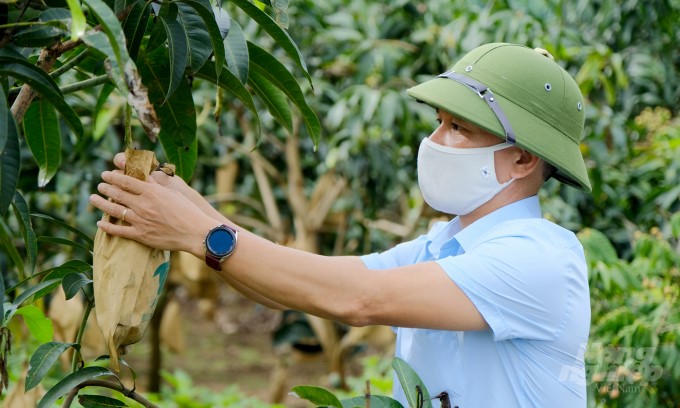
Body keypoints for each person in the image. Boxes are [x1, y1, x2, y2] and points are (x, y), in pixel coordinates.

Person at [90, 43, 591, 407]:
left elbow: (356, 300)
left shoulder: (538, 258)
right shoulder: (442, 247)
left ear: (523, 159)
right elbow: (306, 283)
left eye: (458, 127)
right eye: (438, 121)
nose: (436, 139)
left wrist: (197, 234)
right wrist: (188, 207)